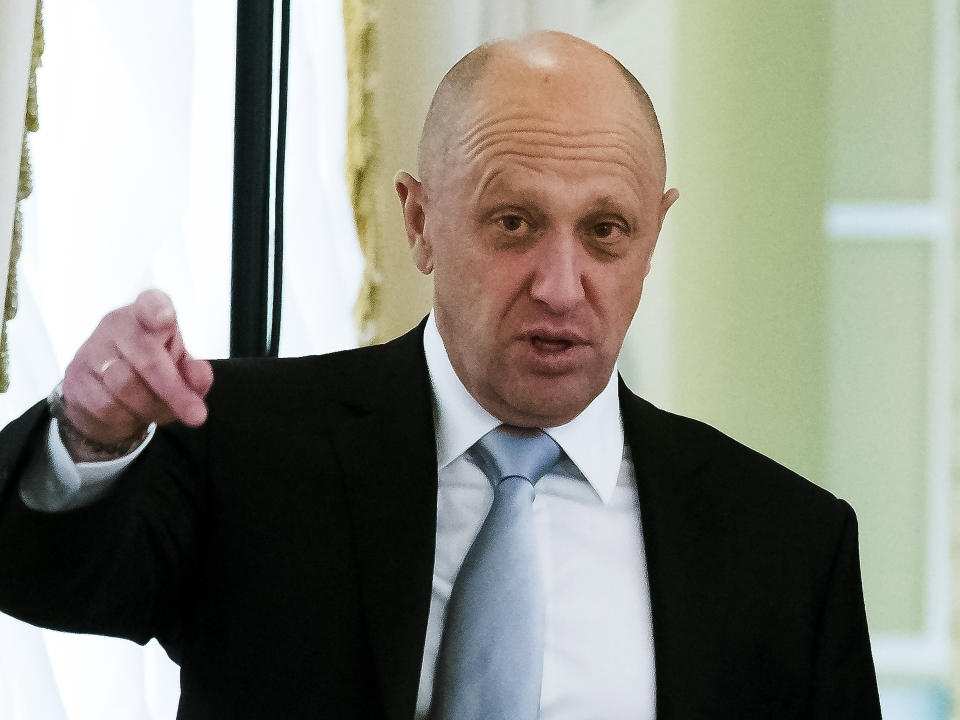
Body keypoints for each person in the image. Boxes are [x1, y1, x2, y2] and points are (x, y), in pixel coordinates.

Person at [0, 31, 880, 719]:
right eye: (513, 222)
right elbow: (36, 572)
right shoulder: (247, 446)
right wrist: (89, 435)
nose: (561, 286)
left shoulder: (789, 548)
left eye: (606, 231)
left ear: (655, 231)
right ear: (420, 221)